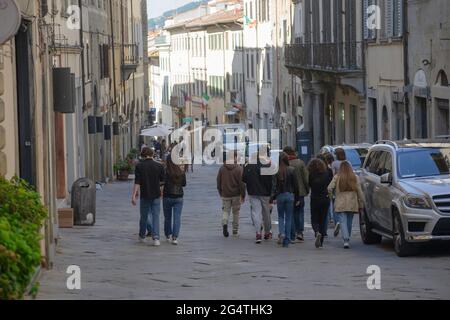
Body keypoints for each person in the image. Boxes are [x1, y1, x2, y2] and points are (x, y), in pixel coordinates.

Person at [132, 147, 165, 246]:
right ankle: (156, 238)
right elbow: (162, 182)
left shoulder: (139, 166)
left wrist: (134, 195)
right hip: (156, 194)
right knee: (156, 217)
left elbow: (137, 182)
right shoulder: (159, 166)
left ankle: (142, 236)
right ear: (152, 154)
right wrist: (162, 192)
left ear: (143, 155)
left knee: (144, 216)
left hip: (145, 194)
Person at [328, 161, 365, 249]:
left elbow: (329, 188)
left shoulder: (337, 177)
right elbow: (359, 191)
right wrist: (362, 203)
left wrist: (331, 196)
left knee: (343, 221)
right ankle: (347, 237)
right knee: (349, 222)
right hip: (352, 202)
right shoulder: (355, 177)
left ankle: (346, 239)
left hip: (340, 201)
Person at [242, 151, 273, 244]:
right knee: (266, 213)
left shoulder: (248, 166)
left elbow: (244, 179)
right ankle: (267, 232)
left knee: (256, 212)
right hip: (265, 193)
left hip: (253, 192)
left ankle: (258, 233)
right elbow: (271, 180)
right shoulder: (267, 165)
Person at [271, 152, 299, 248]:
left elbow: (273, 186)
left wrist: (273, 197)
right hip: (290, 195)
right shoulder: (292, 170)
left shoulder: (276, 170)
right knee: (288, 218)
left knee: (280, 217)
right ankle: (287, 238)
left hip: (280, 196)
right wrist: (297, 197)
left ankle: (281, 233)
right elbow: (296, 185)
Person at [217, 151, 246, 238]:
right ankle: (235, 231)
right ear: (235, 157)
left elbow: (218, 181)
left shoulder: (222, 168)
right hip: (236, 194)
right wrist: (243, 194)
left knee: (225, 211)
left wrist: (220, 191)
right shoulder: (239, 169)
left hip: (225, 194)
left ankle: (225, 223)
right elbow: (242, 183)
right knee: (236, 212)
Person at [283, 146, 309, 242]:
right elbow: (305, 178)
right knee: (300, 212)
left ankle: (292, 234)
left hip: (288, 191)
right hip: (301, 192)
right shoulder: (300, 163)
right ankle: (300, 232)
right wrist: (307, 189)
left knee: (290, 213)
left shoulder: (284, 164)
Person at [308, 158, 333, 248]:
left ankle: (316, 231)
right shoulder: (328, 173)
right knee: (323, 219)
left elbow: (309, 185)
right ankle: (321, 241)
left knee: (314, 218)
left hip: (315, 198)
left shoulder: (311, 174)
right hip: (325, 198)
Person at [162, 154, 186, 245]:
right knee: (177, 217)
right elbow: (184, 184)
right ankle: (175, 237)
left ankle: (168, 235)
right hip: (179, 196)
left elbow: (162, 182)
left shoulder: (165, 171)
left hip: (167, 196)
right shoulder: (180, 171)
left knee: (167, 217)